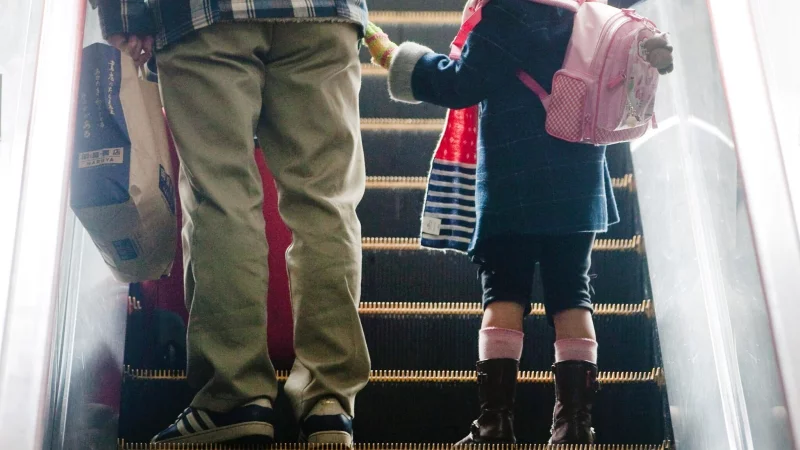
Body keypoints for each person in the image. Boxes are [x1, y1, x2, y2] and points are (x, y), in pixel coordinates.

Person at [364, 0, 673, 444]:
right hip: (579, 178)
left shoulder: (507, 14)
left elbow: (460, 85)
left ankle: (494, 424)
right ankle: (574, 427)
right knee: (573, 292)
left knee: (504, 289)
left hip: (513, 177)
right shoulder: (586, 12)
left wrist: (397, 59)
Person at [96, 0, 371, 445]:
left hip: (204, 17)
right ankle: (328, 403)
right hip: (323, 16)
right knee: (326, 203)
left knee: (221, 199)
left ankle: (233, 396)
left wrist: (124, 16)